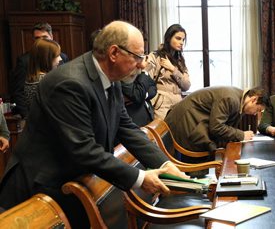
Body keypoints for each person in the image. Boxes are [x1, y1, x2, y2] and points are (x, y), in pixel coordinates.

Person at [0, 20, 187, 227]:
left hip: (71, 184)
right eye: (136, 57)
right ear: (114, 53)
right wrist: (141, 178)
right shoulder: (70, 83)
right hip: (40, 189)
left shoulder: (111, 78)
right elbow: (84, 150)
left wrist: (165, 164)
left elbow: (127, 129)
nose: (142, 64)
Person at [165, 86, 268, 155]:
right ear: (253, 99)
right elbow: (216, 127)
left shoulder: (239, 98)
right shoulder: (230, 99)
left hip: (193, 121)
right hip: (185, 123)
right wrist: (242, 135)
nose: (255, 114)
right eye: (257, 110)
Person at [10, 22, 69, 118]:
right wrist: (27, 118)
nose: (41, 41)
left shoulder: (63, 57)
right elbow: (19, 93)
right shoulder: (25, 61)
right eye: (37, 38)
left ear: (52, 37)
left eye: (45, 37)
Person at [146, 24, 190, 120]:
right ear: (169, 38)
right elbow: (146, 80)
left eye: (183, 40)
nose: (181, 42)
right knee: (161, 133)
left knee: (178, 133)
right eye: (178, 38)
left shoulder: (180, 61)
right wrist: (157, 99)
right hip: (161, 104)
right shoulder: (155, 56)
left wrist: (173, 69)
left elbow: (186, 85)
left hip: (179, 103)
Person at [23, 38, 62, 115]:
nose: (60, 59)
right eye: (57, 55)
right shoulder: (48, 80)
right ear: (46, 58)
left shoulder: (31, 78)